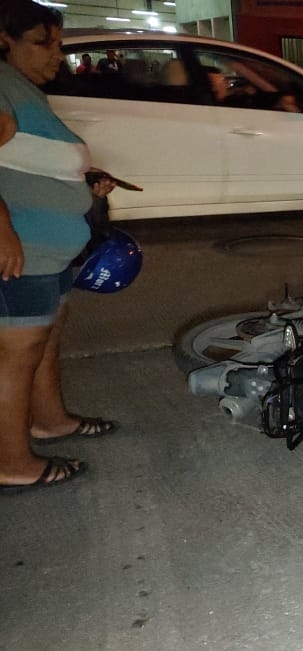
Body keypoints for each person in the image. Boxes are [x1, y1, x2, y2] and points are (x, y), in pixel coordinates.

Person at [0, 0, 119, 493]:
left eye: (59, 43)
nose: (56, 55)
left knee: (44, 344)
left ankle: (50, 421)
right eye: (41, 42)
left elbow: (24, 160)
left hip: (49, 251)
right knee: (17, 355)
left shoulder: (24, 90)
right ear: (4, 41)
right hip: (21, 253)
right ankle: (10, 462)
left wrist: (81, 178)